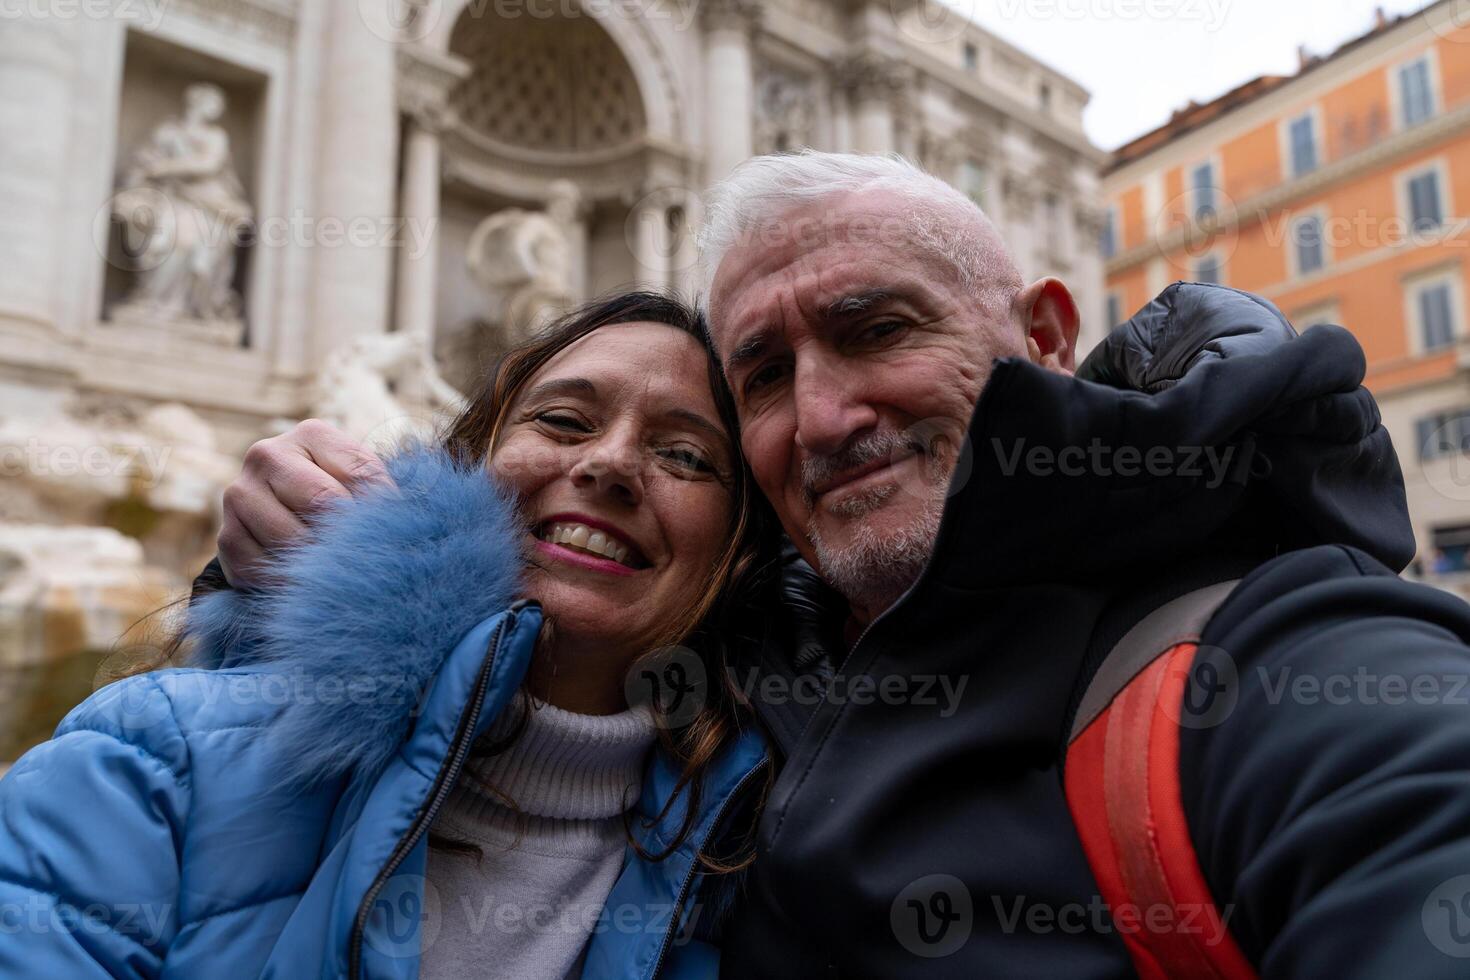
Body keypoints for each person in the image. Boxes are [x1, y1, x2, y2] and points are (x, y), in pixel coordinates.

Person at [135, 152, 1470, 975]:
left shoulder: (1288, 670)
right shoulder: (725, 682)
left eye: (875, 327)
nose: (824, 417)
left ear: (1046, 332)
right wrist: (311, 568)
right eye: (762, 374)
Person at [0, 292, 775, 978]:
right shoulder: (152, 759)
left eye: (684, 455)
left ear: (741, 553)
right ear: (467, 466)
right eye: (564, 420)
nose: (610, 465)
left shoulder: (760, 857)